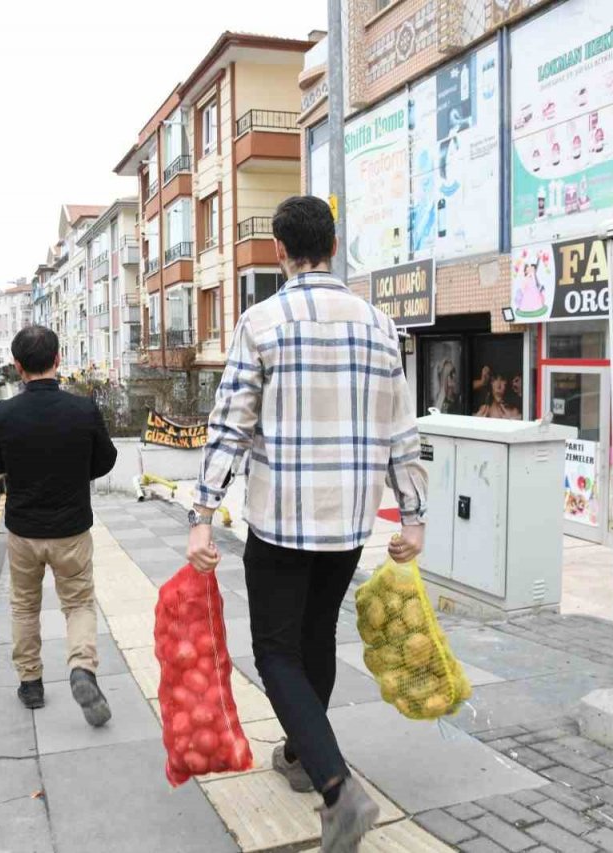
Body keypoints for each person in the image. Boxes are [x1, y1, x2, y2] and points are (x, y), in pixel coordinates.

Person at [187, 196, 428, 851]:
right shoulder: (379, 325)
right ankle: (300, 755)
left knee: (275, 652)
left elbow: (230, 426)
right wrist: (412, 515)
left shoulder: (261, 322)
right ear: (334, 245)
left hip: (280, 522)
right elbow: (401, 429)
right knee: (315, 638)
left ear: (279, 250)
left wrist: (202, 514)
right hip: (349, 523)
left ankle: (338, 788)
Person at [0, 325, 118, 726]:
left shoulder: (3, 413)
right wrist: (77, 473)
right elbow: (106, 460)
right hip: (72, 529)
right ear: (58, 359)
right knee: (78, 603)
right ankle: (82, 667)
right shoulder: (83, 409)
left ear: (17, 366)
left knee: (25, 605)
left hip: (23, 531)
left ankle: (31, 684)